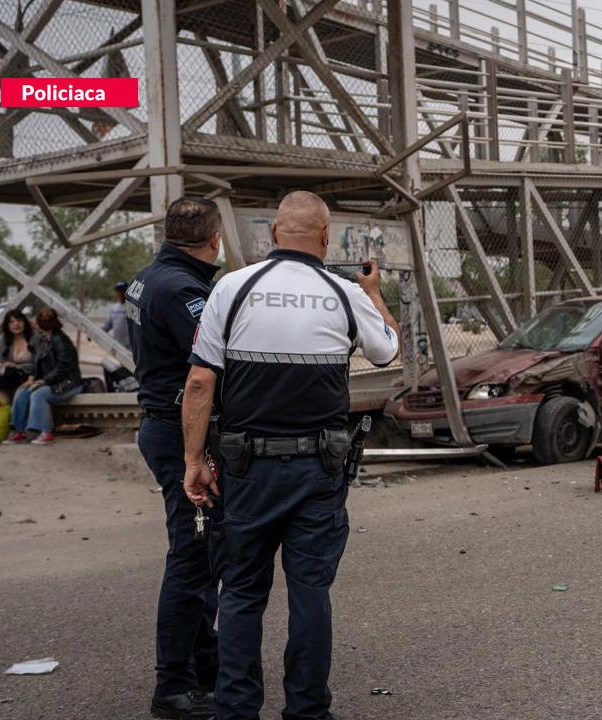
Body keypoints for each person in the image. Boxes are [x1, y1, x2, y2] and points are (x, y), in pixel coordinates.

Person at [182, 191, 399, 720]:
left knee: (240, 593)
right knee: (310, 594)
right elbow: (388, 349)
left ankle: (235, 710)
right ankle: (306, 710)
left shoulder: (232, 288)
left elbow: (200, 382)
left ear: (274, 234)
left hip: (245, 470)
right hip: (317, 471)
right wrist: (374, 294)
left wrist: (194, 461)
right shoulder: (345, 293)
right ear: (325, 237)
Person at [128, 198, 224, 720]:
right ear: (214, 240)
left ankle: (207, 666)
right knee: (191, 557)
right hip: (179, 431)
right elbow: (209, 366)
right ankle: (173, 686)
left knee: (203, 556)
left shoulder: (149, 277)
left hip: (162, 424)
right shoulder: (184, 290)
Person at [3, 308, 82, 445]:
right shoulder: (41, 339)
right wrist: (31, 378)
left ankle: (45, 432)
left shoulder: (61, 340)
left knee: (38, 395)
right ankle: (19, 432)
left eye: (47, 321)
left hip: (69, 383)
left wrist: (44, 381)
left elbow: (63, 368)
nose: (44, 324)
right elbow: (36, 362)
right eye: (42, 321)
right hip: (51, 382)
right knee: (22, 391)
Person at [0, 309, 34, 403]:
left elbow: (39, 364)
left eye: (19, 320)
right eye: (12, 322)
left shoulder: (34, 339)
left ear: (25, 322)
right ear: (7, 325)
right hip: (9, 376)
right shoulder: (6, 339)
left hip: (28, 375)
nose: (16, 324)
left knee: (2, 389)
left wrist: (16, 366)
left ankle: (2, 412)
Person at [105, 280, 133, 349]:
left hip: (131, 347)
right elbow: (107, 325)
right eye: (118, 291)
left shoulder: (133, 307)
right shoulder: (114, 308)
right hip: (117, 346)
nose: (120, 293)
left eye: (123, 290)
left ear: (127, 291)